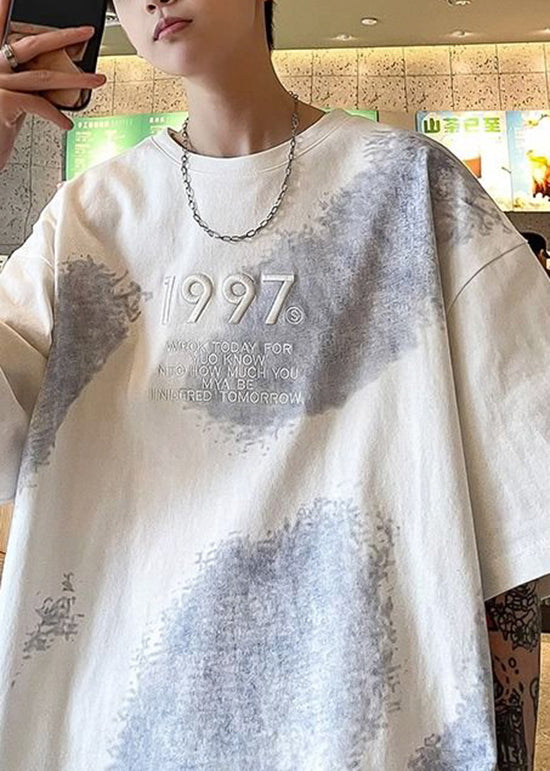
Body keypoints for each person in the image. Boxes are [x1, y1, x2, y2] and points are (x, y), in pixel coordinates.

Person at [0, 1, 548, 768]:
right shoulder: (86, 219)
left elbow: (517, 540)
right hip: (106, 730)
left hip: (361, 737)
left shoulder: (413, 189)